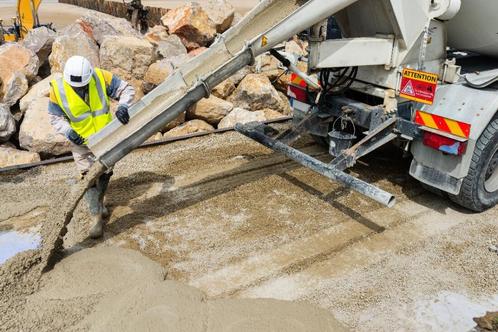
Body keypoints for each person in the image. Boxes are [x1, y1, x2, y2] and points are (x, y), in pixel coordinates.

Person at [48, 55, 135, 239]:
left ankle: (100, 203)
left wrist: (123, 107)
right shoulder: (59, 89)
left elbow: (126, 89)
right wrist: (68, 131)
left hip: (105, 138)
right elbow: (56, 117)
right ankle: (95, 217)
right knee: (88, 178)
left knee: (105, 173)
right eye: (76, 87)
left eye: (82, 86)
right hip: (81, 143)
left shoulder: (100, 77)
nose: (79, 89)